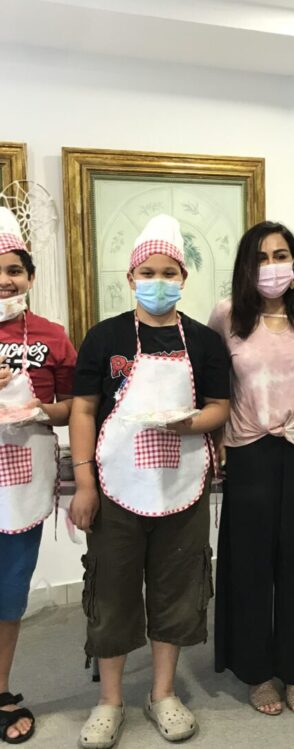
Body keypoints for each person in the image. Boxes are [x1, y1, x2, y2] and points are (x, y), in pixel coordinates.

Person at [69, 214, 230, 748]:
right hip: (116, 486)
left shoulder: (203, 341)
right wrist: (85, 484)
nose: (158, 282)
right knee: (112, 590)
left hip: (182, 485)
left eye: (168, 272)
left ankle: (162, 693)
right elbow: (84, 409)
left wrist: (192, 424)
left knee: (177, 590)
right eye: (148, 272)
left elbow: (220, 406)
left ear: (183, 278)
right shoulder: (105, 337)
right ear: (130, 278)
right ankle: (110, 700)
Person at [209, 220, 294, 716]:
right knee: (249, 565)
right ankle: (257, 671)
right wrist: (216, 439)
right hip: (248, 451)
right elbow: (215, 384)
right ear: (246, 265)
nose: (272, 266)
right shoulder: (227, 316)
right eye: (261, 257)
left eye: (280, 255)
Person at [0, 207, 76, 744]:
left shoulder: (52, 335)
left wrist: (37, 410)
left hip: (22, 485)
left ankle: (1, 688)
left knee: (8, 593)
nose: (5, 280)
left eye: (14, 270)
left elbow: (74, 407)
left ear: (29, 276)